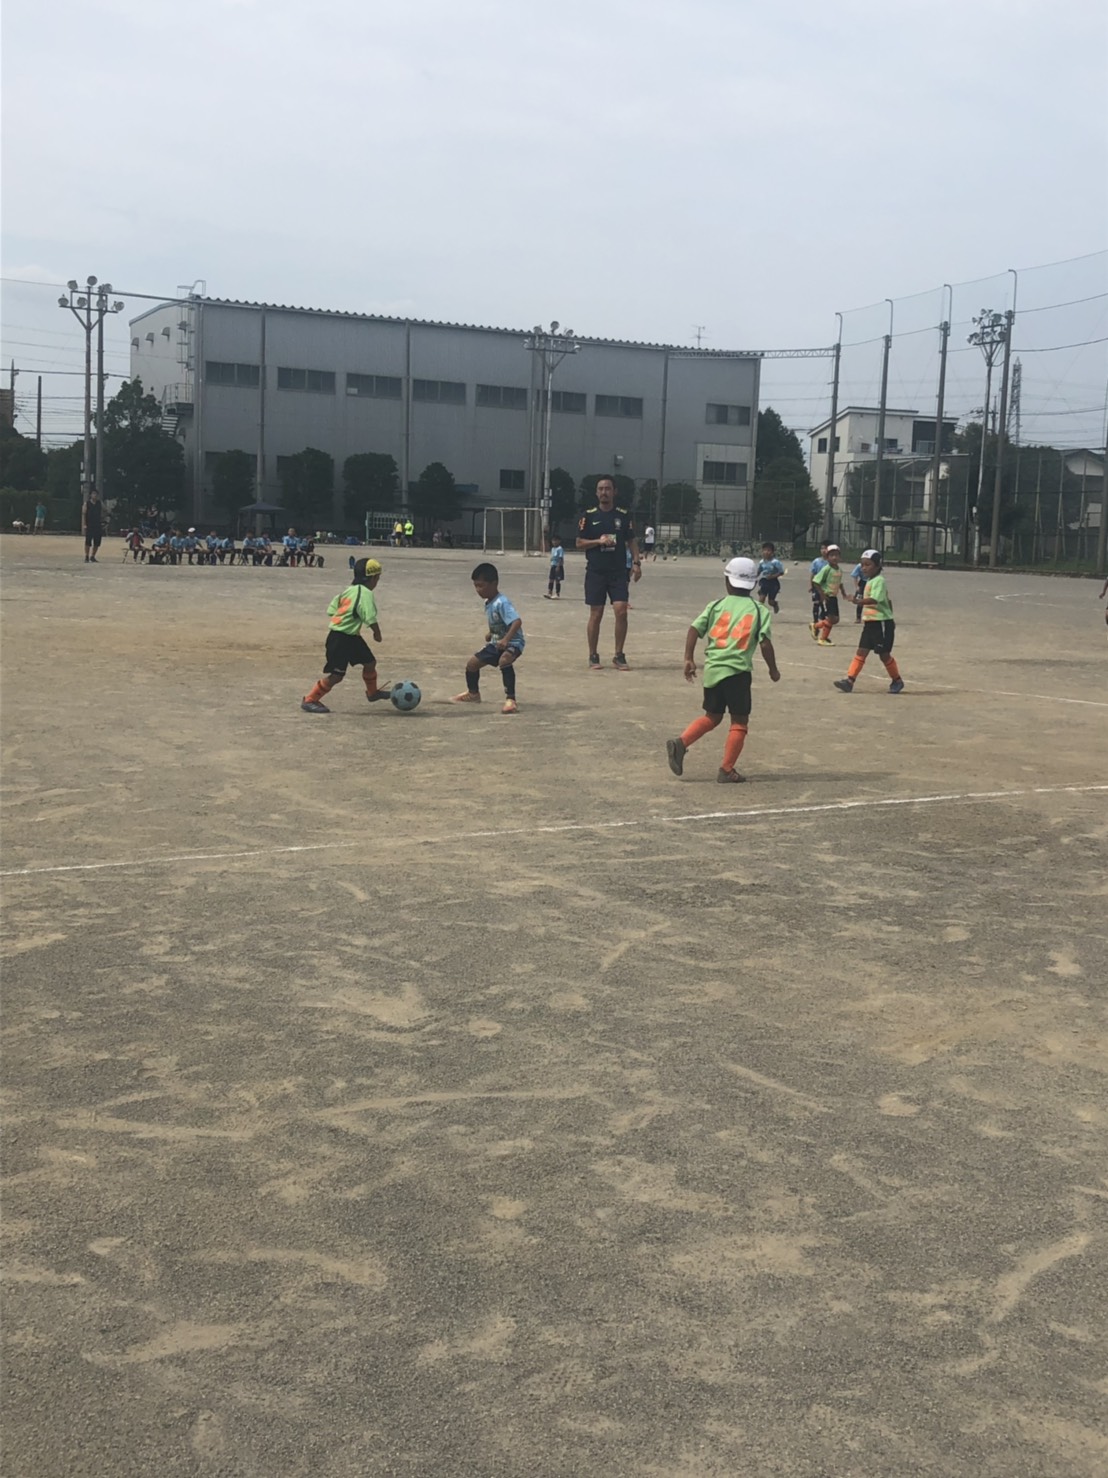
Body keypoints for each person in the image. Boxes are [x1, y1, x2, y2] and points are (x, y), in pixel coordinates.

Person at [666, 556, 780, 784]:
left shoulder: (716, 605)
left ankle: (682, 742)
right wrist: (773, 670)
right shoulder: (759, 610)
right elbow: (765, 643)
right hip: (737, 672)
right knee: (739, 721)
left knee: (713, 716)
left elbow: (694, 629)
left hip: (713, 670)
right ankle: (727, 769)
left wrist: (688, 658)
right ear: (755, 584)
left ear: (727, 581)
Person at [301, 557, 390, 713]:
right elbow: (369, 616)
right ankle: (310, 699)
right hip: (340, 638)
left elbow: (331, 609)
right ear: (373, 578)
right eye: (378, 578)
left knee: (370, 662)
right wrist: (377, 632)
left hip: (350, 636)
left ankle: (372, 692)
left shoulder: (348, 590)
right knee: (337, 675)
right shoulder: (366, 593)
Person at [576, 475, 641, 672]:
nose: (604, 492)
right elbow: (579, 543)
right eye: (601, 489)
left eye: (608, 488)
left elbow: (631, 541)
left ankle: (619, 655)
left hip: (618, 572)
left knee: (621, 610)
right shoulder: (588, 516)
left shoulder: (622, 515)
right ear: (596, 493)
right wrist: (598, 541)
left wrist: (637, 563)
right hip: (596, 572)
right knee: (596, 614)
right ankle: (593, 654)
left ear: (614, 492)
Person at [452, 562, 524, 714]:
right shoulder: (489, 602)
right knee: (472, 664)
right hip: (497, 642)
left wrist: (506, 640)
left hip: (513, 642)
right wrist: (491, 633)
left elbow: (516, 621)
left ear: (494, 584)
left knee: (504, 660)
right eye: (476, 586)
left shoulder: (502, 602)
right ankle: (473, 693)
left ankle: (511, 699)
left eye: (481, 585)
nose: (478, 590)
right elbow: (498, 622)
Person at [833, 549, 904, 694]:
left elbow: (875, 600)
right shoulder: (870, 581)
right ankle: (849, 681)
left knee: (884, 654)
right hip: (870, 623)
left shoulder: (879, 581)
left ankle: (897, 680)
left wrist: (857, 601)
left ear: (878, 566)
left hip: (881, 623)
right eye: (862, 564)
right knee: (861, 652)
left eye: (868, 564)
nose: (864, 568)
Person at [811, 544, 844, 645]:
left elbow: (839, 582)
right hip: (828, 596)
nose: (834, 557)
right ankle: (822, 637)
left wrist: (844, 593)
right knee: (831, 618)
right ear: (827, 557)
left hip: (834, 596)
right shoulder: (826, 568)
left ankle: (817, 627)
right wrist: (822, 594)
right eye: (831, 555)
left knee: (835, 619)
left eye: (836, 555)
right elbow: (816, 581)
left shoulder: (839, 569)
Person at [756, 541, 785, 613]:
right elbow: (759, 571)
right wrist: (753, 577)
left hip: (773, 583)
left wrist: (773, 576)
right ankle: (759, 613)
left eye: (768, 550)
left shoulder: (775, 562)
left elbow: (781, 572)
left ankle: (775, 604)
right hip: (764, 581)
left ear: (772, 552)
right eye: (764, 550)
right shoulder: (761, 562)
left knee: (770, 602)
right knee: (761, 598)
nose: (766, 552)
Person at [809, 540, 829, 633]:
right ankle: (815, 620)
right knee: (816, 603)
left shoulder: (830, 562)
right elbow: (813, 574)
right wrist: (810, 585)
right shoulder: (816, 561)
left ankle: (823, 617)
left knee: (824, 603)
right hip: (816, 586)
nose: (824, 550)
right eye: (822, 548)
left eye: (826, 548)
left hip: (826, 587)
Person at [82, 490, 104, 562]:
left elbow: (105, 510)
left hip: (97, 525)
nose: (95, 495)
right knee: (88, 541)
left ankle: (93, 556)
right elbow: (84, 514)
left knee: (97, 541)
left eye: (96, 494)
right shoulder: (87, 504)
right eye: (93, 494)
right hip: (89, 525)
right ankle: (86, 556)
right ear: (90, 495)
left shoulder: (100, 503)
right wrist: (84, 524)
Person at [850, 557, 865, 622]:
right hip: (863, 582)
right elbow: (855, 576)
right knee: (860, 600)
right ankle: (858, 617)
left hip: (871, 582)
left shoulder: (873, 565)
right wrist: (857, 587)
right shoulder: (859, 566)